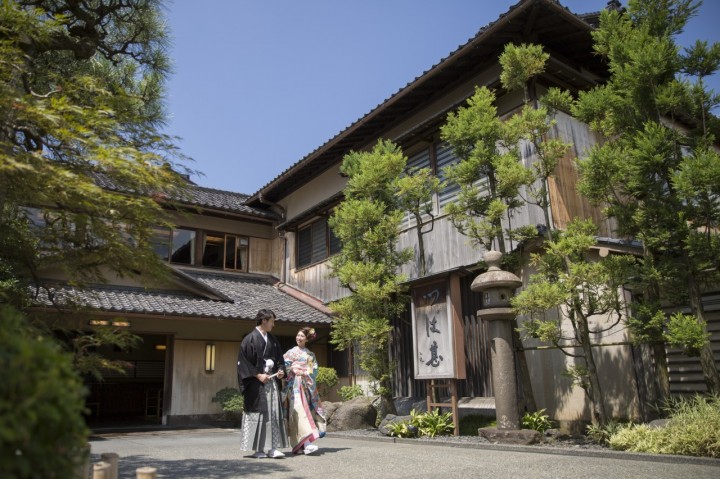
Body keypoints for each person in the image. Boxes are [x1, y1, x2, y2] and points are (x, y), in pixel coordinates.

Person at [237, 309, 289, 458]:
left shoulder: (273, 340)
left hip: (271, 382)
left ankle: (273, 448)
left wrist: (280, 371)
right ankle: (258, 449)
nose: (273, 324)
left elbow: (280, 360)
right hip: (256, 384)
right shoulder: (249, 339)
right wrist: (258, 375)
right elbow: (243, 363)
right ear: (264, 320)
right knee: (260, 414)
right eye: (272, 321)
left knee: (274, 414)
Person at [283, 327, 327, 455]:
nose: (299, 338)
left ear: (307, 339)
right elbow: (283, 366)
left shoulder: (310, 355)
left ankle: (301, 445)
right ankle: (305, 444)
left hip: (305, 386)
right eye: (298, 335)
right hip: (293, 386)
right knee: (298, 412)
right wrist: (292, 369)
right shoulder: (290, 352)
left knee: (305, 413)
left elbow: (313, 371)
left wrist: (304, 372)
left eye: (302, 336)